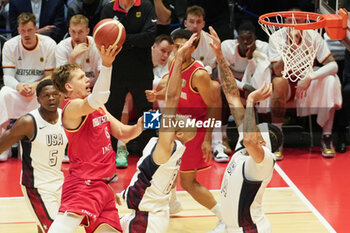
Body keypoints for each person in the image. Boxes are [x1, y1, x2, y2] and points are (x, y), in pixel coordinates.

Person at [47, 45, 143, 233]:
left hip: (104, 185)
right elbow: (99, 97)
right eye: (81, 77)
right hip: (84, 183)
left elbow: (123, 133)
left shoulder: (98, 107)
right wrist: (107, 65)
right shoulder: (72, 108)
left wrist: (140, 125)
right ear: (68, 86)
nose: (87, 79)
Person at [207, 26, 283, 233]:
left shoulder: (264, 159)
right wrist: (219, 56)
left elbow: (250, 139)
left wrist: (250, 100)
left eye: (259, 130)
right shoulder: (245, 146)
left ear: (265, 142)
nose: (254, 129)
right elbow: (231, 95)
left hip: (250, 229)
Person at [120, 33, 198, 233]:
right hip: (146, 212)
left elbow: (172, 98)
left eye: (180, 121)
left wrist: (179, 58)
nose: (179, 117)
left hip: (147, 221)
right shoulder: (176, 146)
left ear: (177, 133)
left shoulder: (167, 146)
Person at [165, 28, 223, 224]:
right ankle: (172, 203)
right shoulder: (174, 62)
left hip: (195, 129)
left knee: (188, 183)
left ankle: (225, 217)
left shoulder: (199, 74)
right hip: (176, 124)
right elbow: (174, 92)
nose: (179, 49)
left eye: (185, 46)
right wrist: (157, 95)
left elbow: (214, 107)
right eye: (176, 46)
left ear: (194, 47)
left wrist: (208, 140)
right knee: (165, 164)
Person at [269, 9, 342, 160]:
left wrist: (311, 77)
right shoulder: (276, 37)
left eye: (298, 21)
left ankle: (326, 137)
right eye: (289, 21)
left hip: (307, 81)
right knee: (278, 82)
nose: (294, 24)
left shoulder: (313, 36)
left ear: (305, 22)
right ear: (284, 22)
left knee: (331, 80)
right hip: (287, 83)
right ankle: (278, 138)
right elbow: (277, 71)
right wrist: (292, 47)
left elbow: (334, 66)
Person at [0, 79, 68, 233]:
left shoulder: (65, 116)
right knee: (56, 229)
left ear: (61, 96)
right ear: (38, 99)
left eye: (55, 94)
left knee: (46, 226)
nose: (51, 98)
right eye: (46, 95)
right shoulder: (28, 122)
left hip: (59, 182)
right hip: (36, 186)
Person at [100, 0, 157, 155]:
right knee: (110, 115)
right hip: (115, 72)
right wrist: (134, 41)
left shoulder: (146, 6)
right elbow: (103, 39)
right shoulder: (108, 8)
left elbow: (150, 37)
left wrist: (121, 40)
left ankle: (152, 157)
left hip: (142, 71)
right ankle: (107, 158)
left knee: (149, 113)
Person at [0, 12, 56, 161]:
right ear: (18, 30)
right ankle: (3, 145)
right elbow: (7, 77)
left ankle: (46, 144)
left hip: (38, 92)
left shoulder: (48, 44)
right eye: (23, 31)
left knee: (53, 92)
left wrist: (35, 86)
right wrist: (19, 87)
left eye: (30, 30)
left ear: (36, 29)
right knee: (4, 92)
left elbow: (51, 76)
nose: (26, 34)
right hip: (18, 91)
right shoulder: (10, 45)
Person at [116, 34, 173, 168]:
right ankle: (121, 147)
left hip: (151, 102)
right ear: (154, 46)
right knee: (125, 96)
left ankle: (164, 144)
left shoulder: (168, 62)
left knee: (164, 95)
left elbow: (168, 83)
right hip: (131, 100)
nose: (165, 55)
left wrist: (156, 92)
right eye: (163, 51)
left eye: (169, 52)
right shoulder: (140, 57)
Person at [183, 5, 231, 162]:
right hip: (180, 83)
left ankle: (217, 144)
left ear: (203, 24)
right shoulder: (176, 38)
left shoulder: (210, 41)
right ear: (185, 23)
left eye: (198, 22)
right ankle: (166, 141)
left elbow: (211, 69)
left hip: (202, 83)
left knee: (216, 89)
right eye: (191, 22)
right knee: (159, 90)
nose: (195, 26)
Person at [56, 14, 101, 88]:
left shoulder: (97, 45)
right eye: (73, 32)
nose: (76, 36)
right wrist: (72, 58)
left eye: (80, 32)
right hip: (71, 89)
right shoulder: (62, 47)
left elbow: (103, 73)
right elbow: (61, 79)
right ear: (69, 31)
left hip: (94, 87)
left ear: (87, 31)